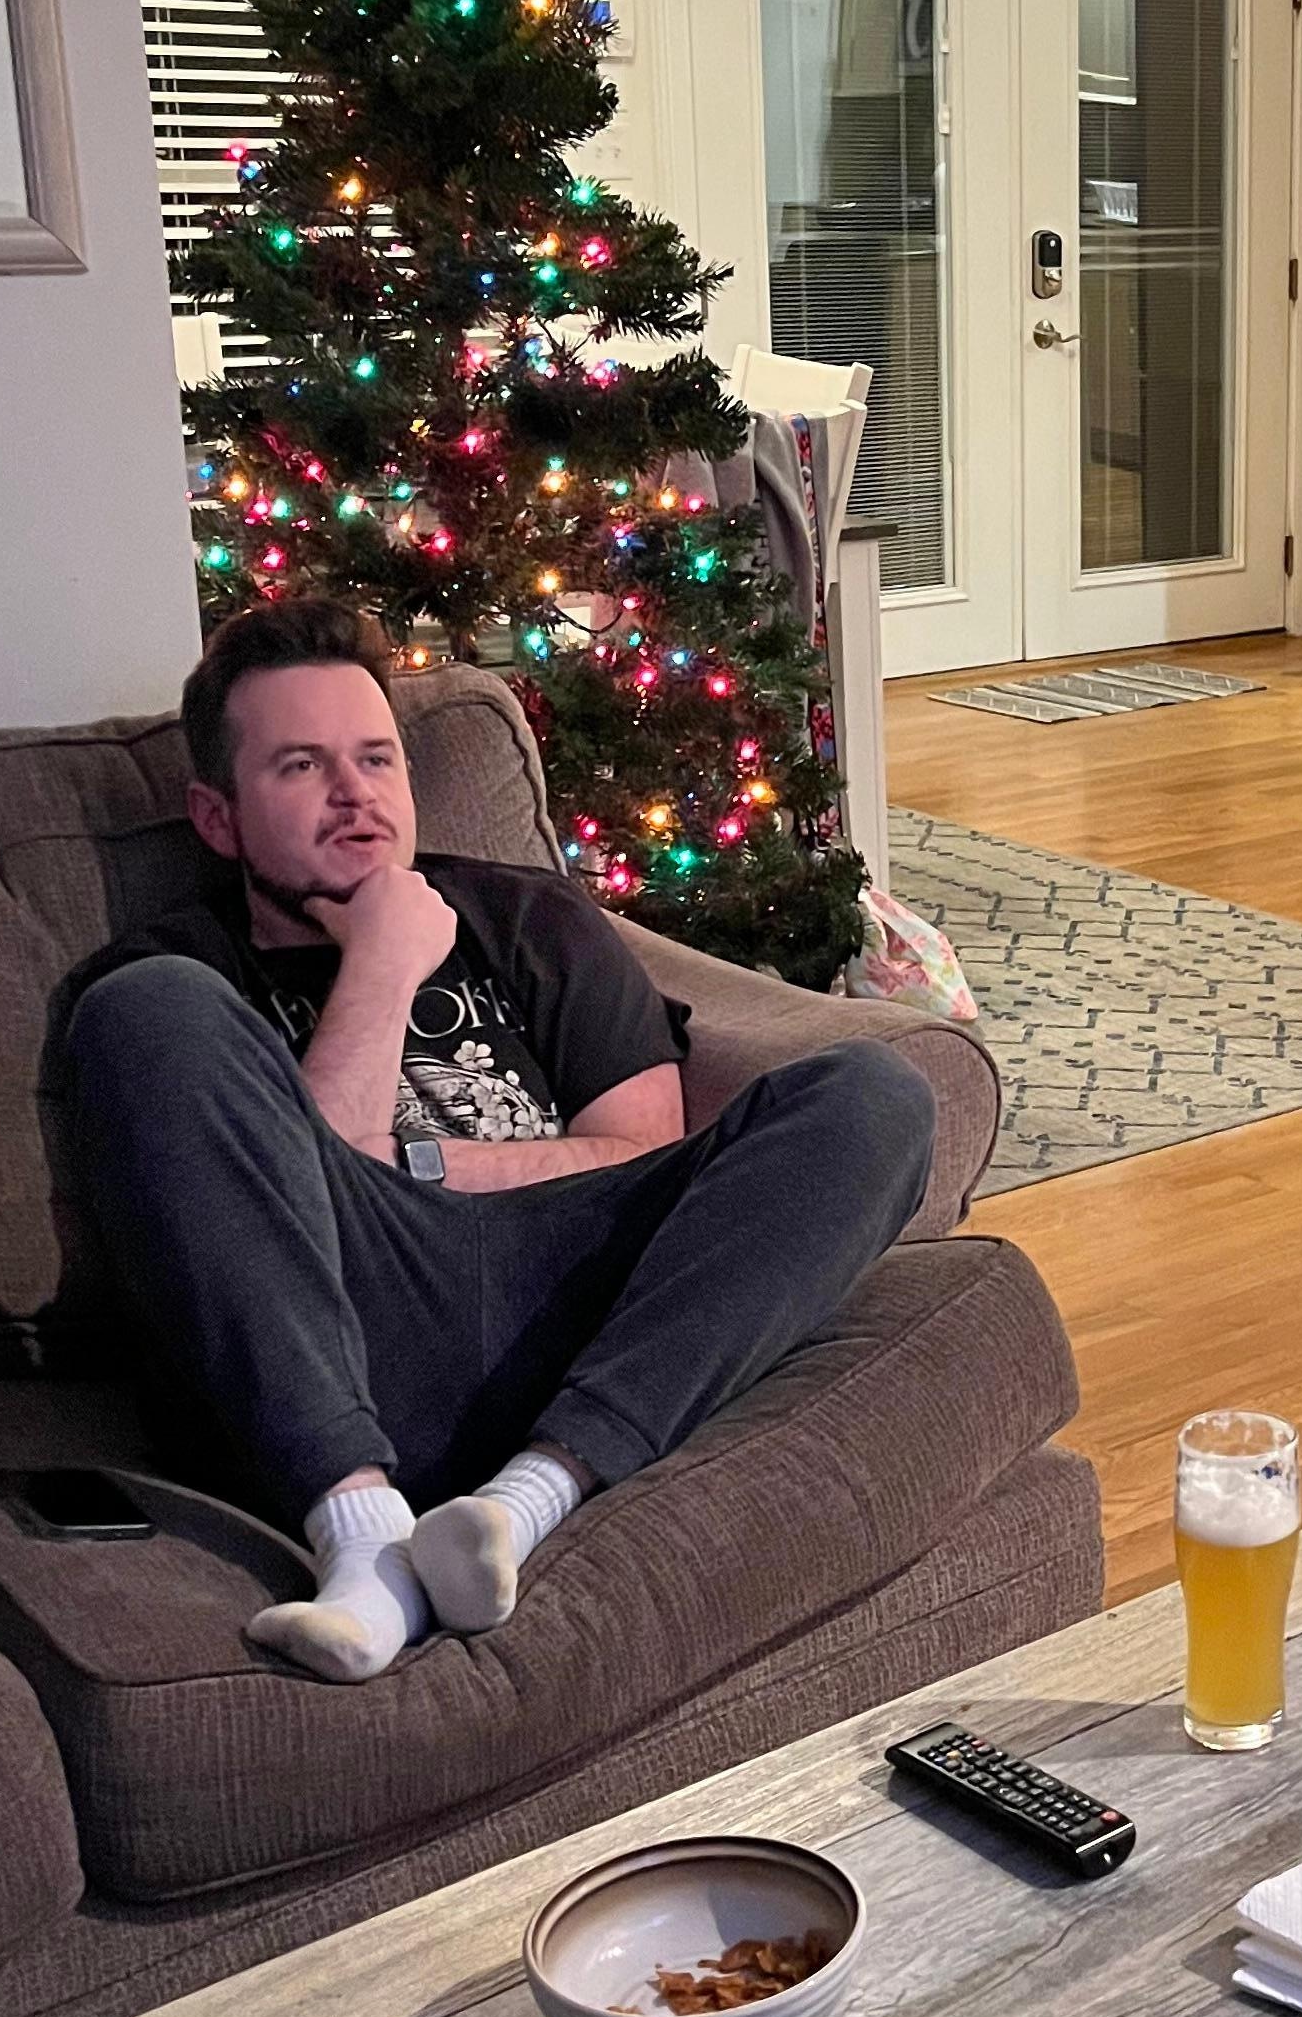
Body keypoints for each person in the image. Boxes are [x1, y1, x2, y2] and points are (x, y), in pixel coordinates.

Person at [67, 598, 937, 1681]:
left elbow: (639, 1152)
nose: (357, 796)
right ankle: (366, 1543)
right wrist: (383, 961)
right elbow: (303, 1209)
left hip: (573, 1297)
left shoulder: (530, 921)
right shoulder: (183, 986)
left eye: (377, 758)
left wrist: (420, 1161)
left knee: (877, 1094)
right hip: (348, 1326)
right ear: (217, 817)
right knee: (144, 1008)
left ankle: (517, 1511)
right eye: (300, 767)